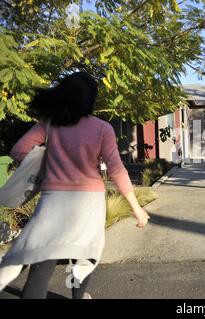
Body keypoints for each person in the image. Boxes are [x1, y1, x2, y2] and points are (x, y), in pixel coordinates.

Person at [0, 71, 149, 299]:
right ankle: (78, 297)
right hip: (88, 203)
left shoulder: (49, 125)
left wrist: (48, 157)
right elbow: (117, 170)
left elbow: (18, 151)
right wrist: (136, 208)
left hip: (53, 200)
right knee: (84, 253)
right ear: (89, 100)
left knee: (43, 257)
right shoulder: (102, 129)